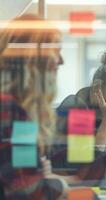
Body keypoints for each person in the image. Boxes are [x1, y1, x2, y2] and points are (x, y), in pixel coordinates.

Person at [0, 14, 68, 199]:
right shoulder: (8, 107)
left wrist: (37, 172)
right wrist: (58, 184)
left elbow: (24, 175)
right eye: (56, 50)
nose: (61, 60)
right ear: (33, 58)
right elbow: (28, 192)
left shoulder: (17, 106)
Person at [54, 51, 106, 182]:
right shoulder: (77, 106)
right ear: (97, 88)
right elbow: (84, 168)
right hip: (65, 182)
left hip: (102, 184)